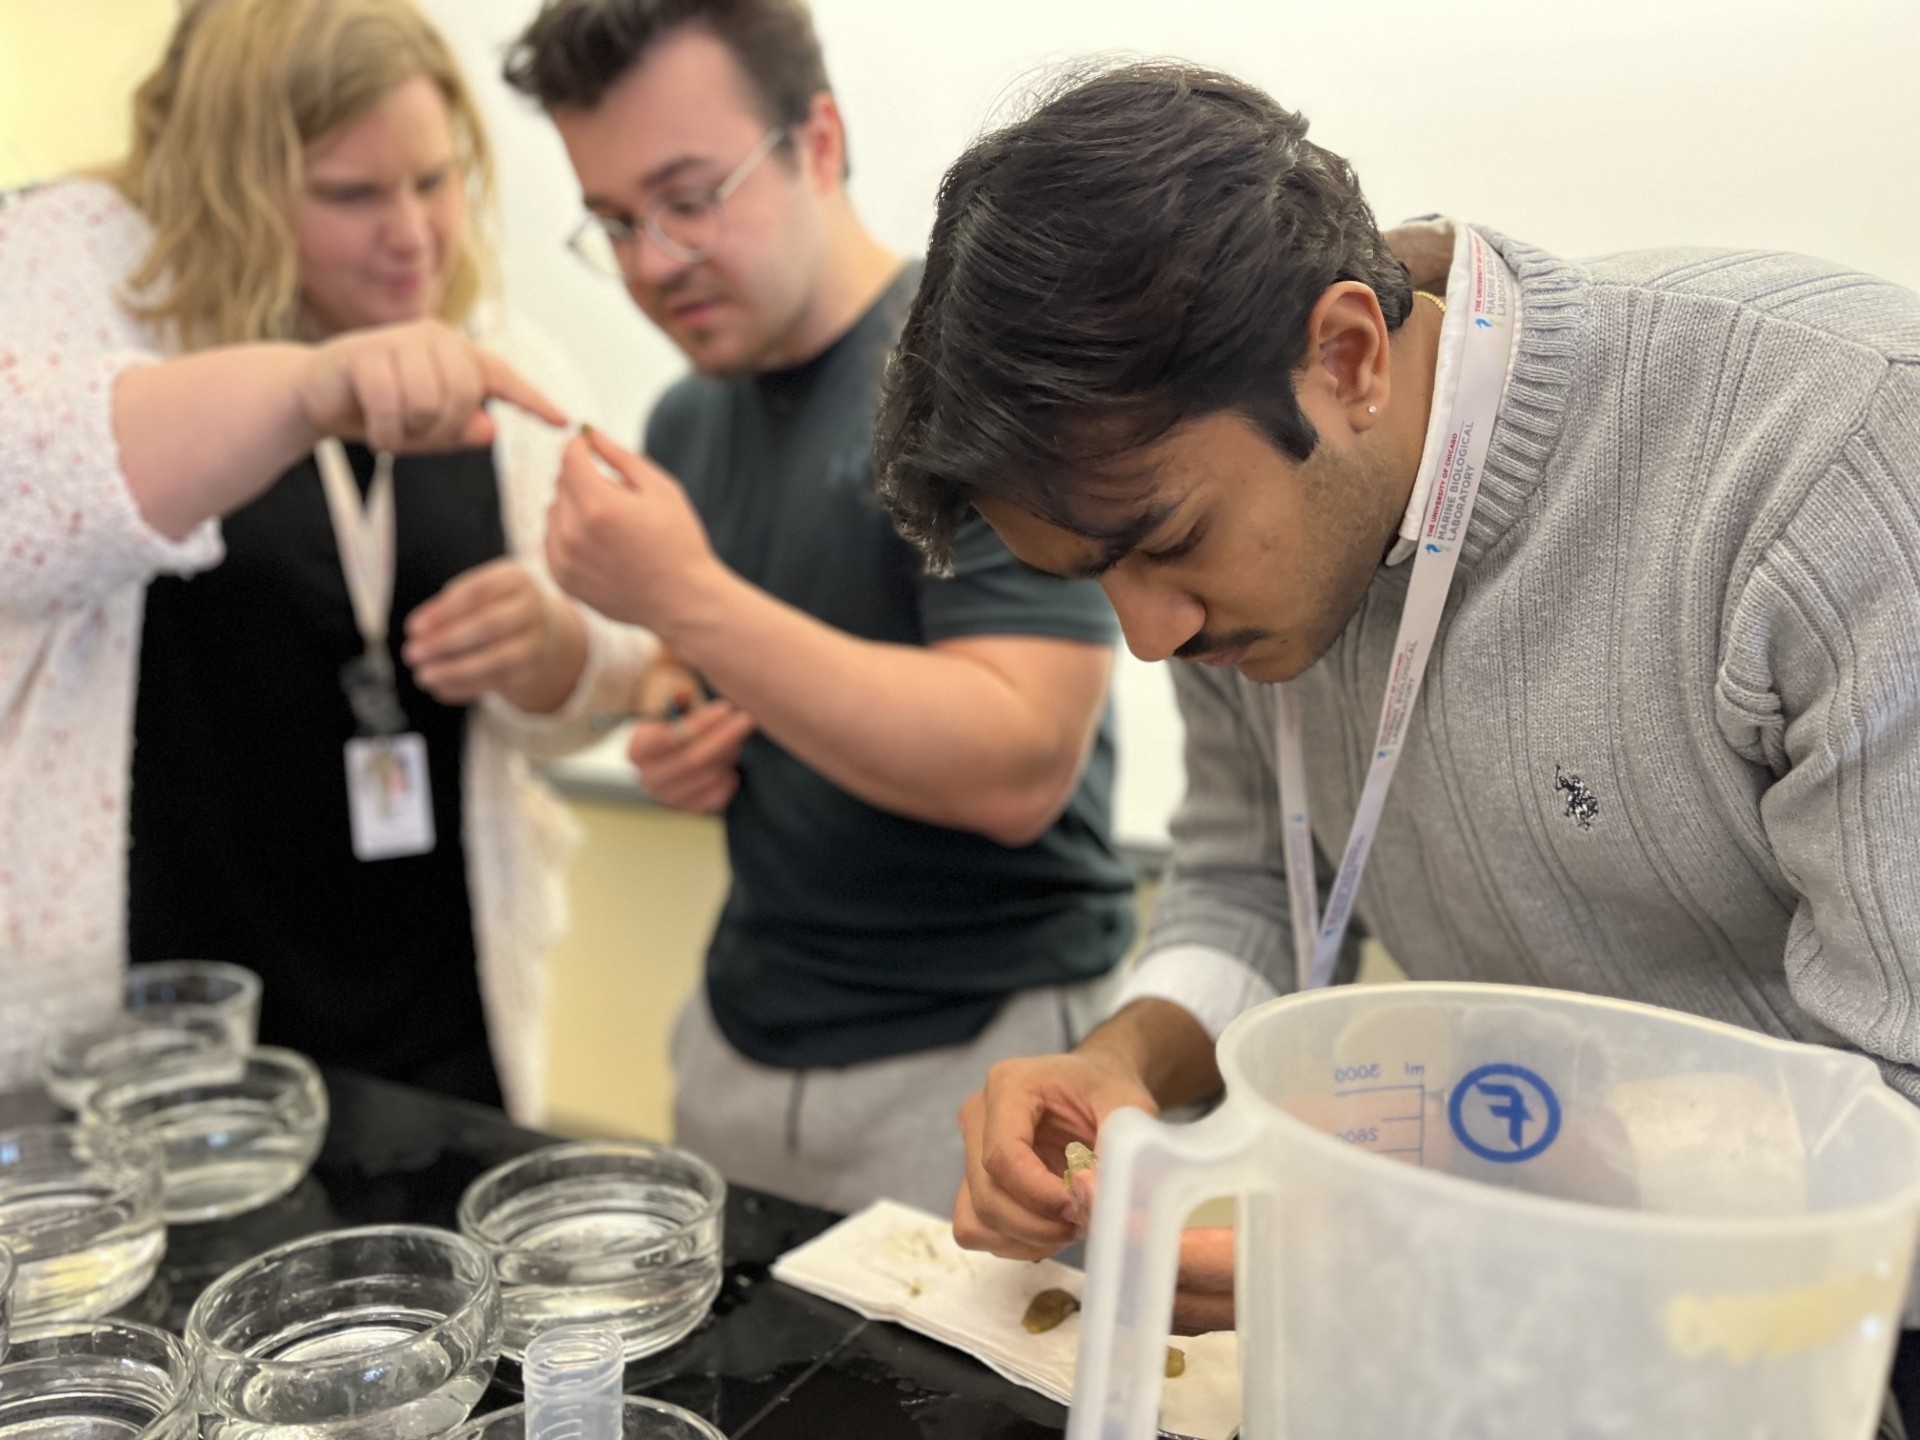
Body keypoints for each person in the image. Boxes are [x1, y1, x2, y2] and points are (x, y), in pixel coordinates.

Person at [874, 60, 1920, 1336]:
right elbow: (1252, 885)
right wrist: (1121, 1065)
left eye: (1164, 541)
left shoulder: (1841, 460)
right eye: (1091, 576)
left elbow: (1898, 1121)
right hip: (1531, 1314)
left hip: (1833, 1340)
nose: (1150, 636)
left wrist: (1423, 1222)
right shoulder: (1240, 569)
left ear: (1349, 355)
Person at [503, 0, 1137, 1215]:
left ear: (822, 142)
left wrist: (685, 596)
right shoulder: (690, 417)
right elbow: (754, 675)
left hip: (972, 1061)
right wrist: (687, 717)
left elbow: (1018, 759)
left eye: (691, 197)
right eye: (614, 222)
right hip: (737, 1041)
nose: (651, 261)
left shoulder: (972, 376)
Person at [0, 0, 656, 1118]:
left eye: (435, 181)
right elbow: (28, 517)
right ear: (234, 188)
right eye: (352, 194)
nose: (413, 234)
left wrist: (556, 652)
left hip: (442, 1034)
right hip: (159, 1054)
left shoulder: (500, 352)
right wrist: (308, 389)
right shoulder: (96, 298)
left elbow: (618, 667)